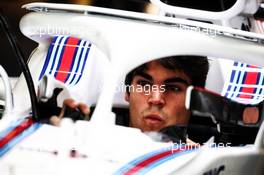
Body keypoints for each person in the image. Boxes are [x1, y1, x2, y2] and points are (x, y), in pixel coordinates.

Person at [50, 56, 209, 142]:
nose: (156, 99)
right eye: (144, 84)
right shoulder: (88, 140)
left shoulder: (210, 162)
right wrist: (59, 137)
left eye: (173, 88)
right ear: (127, 92)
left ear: (196, 100)